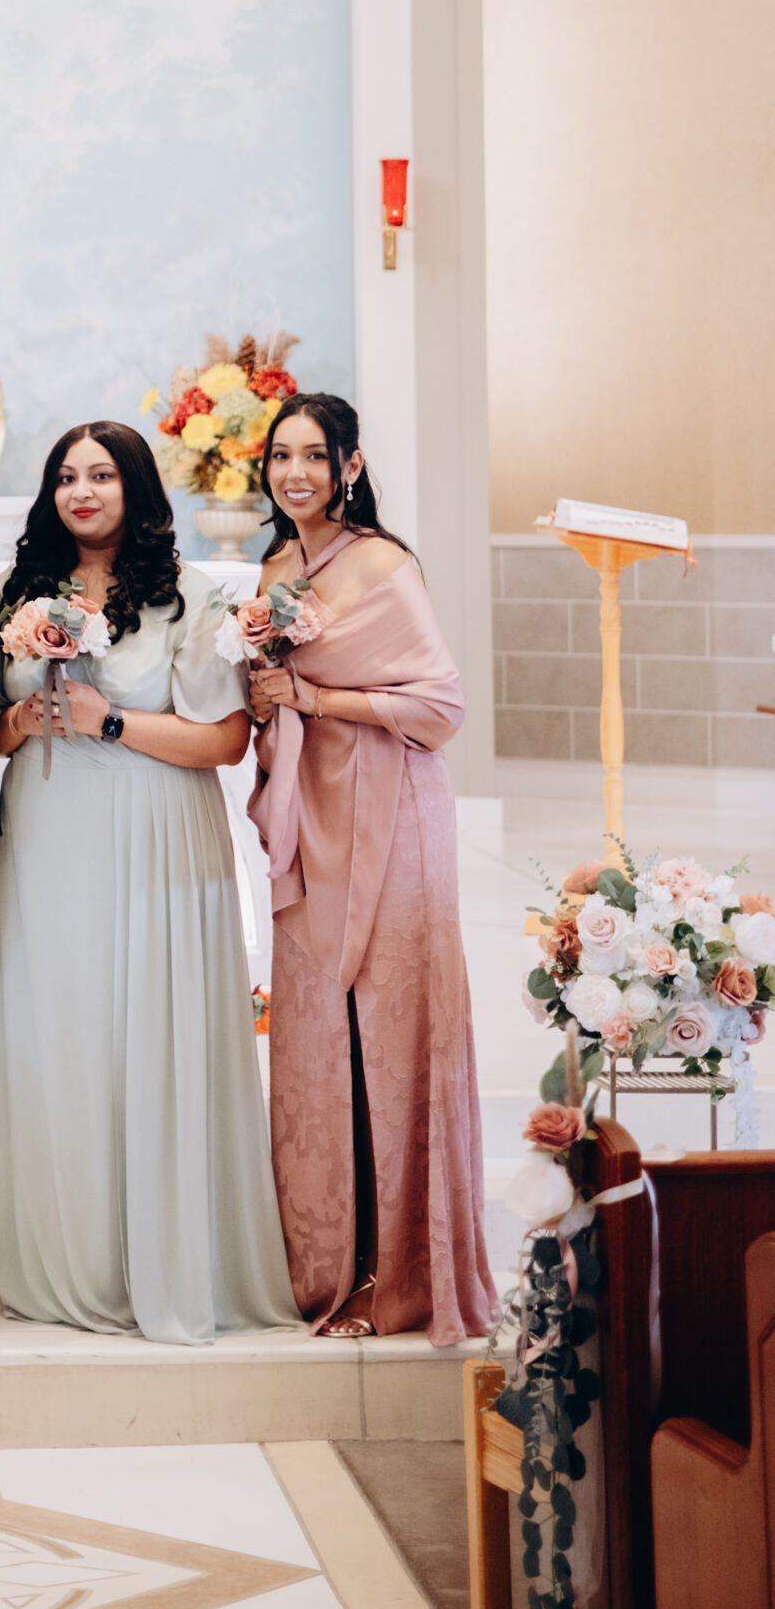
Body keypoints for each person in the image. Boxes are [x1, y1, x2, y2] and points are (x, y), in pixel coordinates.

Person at [0, 424, 300, 1342]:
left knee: (149, 1027)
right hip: (49, 831)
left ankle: (166, 1253)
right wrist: (22, 721)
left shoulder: (191, 597)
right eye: (66, 476)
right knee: (62, 1028)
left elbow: (226, 741)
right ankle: (72, 1257)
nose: (82, 491)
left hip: (156, 829)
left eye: (102, 475)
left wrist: (108, 722)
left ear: (137, 488)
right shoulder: (20, 592)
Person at [246, 393, 494, 1345]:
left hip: (393, 814)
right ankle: (330, 1259)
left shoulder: (385, 566)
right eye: (282, 456)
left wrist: (316, 696)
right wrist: (269, 701)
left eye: (315, 456)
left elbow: (439, 707)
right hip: (313, 814)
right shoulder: (275, 570)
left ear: (349, 466)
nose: (296, 473)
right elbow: (270, 698)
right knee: (320, 1032)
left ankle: (403, 1272)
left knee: (390, 1028)